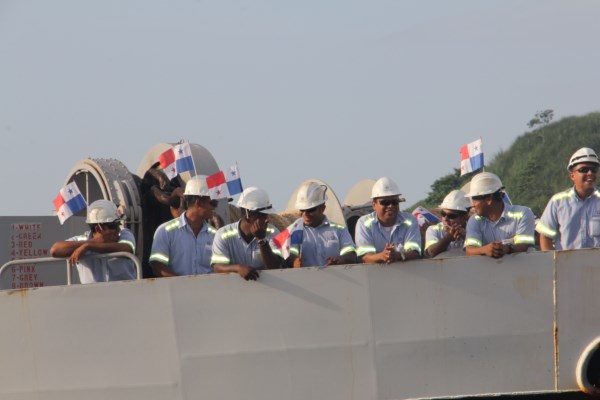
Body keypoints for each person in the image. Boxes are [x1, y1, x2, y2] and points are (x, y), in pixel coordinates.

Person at [50, 199, 137, 284]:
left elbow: (127, 247)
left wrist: (88, 246)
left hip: (125, 291)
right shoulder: (83, 240)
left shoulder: (124, 233)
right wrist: (92, 242)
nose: (118, 229)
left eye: (118, 223)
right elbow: (55, 250)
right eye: (114, 225)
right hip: (93, 292)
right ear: (98, 228)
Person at [149, 175, 218, 277]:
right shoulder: (165, 231)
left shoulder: (215, 236)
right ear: (198, 203)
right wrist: (183, 284)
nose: (215, 207)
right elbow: (158, 266)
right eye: (213, 203)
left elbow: (219, 267)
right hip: (176, 287)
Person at [211, 187, 282, 280]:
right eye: (262, 216)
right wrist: (238, 268)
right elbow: (217, 267)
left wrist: (261, 240)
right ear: (248, 216)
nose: (267, 220)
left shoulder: (273, 232)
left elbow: (275, 266)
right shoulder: (223, 234)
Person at [536, 147, 600, 250]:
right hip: (566, 260)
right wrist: (551, 259)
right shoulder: (558, 202)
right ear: (572, 176)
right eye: (584, 170)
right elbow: (545, 236)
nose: (590, 173)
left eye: (594, 170)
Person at [282, 182, 357, 267]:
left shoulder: (339, 230)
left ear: (322, 208)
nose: (305, 214)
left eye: (310, 210)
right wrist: (294, 262)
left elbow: (351, 255)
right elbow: (290, 254)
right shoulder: (296, 231)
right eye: (302, 210)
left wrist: (339, 260)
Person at [464, 172, 535, 258]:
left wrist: (508, 248)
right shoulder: (474, 220)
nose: (472, 205)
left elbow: (524, 245)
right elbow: (469, 250)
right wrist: (485, 250)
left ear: (489, 199)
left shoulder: (523, 213)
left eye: (475, 199)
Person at [355, 177, 421, 263]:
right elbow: (364, 257)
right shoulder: (364, 223)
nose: (390, 206)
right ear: (374, 205)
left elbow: (415, 252)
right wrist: (383, 256)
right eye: (385, 202)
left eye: (394, 202)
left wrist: (399, 255)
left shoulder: (410, 220)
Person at [424, 190, 471, 258]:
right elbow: (431, 252)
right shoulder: (433, 230)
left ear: (464, 217)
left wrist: (465, 237)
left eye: (451, 216)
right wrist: (448, 238)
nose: (445, 219)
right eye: (443, 214)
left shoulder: (473, 229)